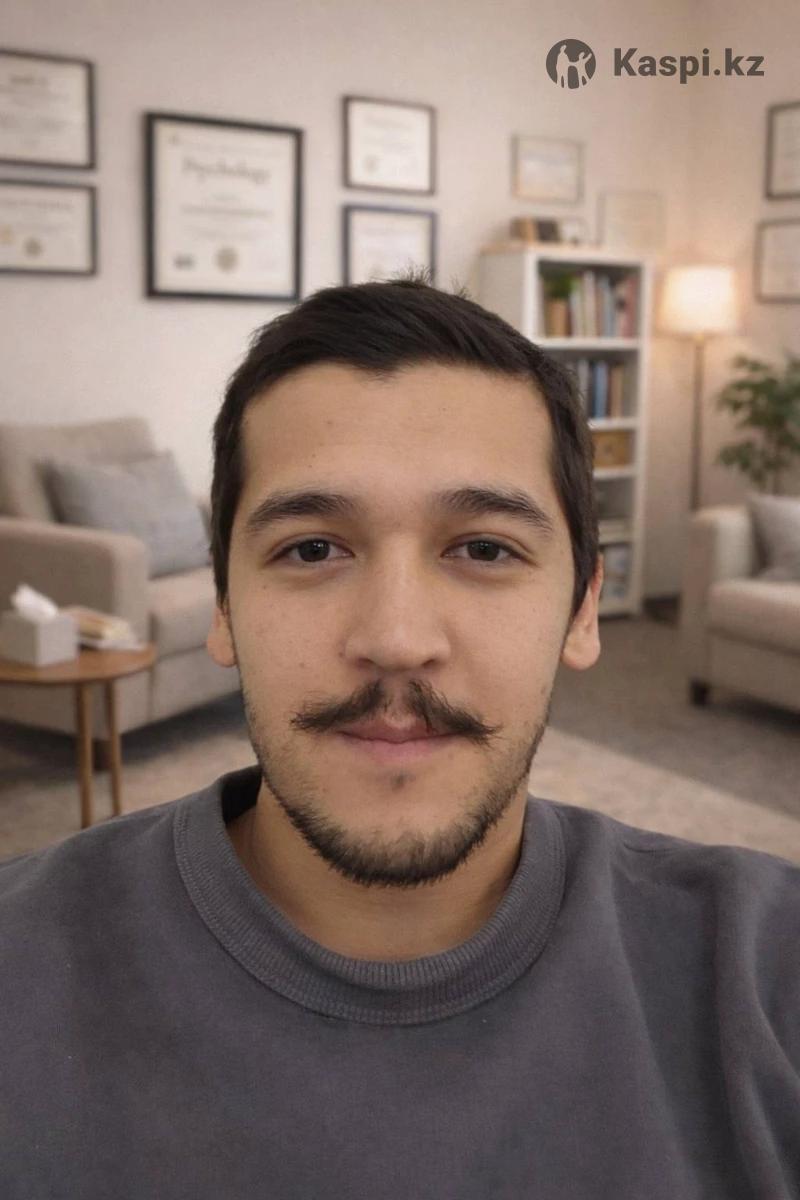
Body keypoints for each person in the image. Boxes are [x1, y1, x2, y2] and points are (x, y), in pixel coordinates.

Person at [1, 275, 799, 1198]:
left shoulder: (764, 969)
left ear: (583, 610)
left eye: (484, 549)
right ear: (224, 606)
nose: (394, 638)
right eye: (312, 548)